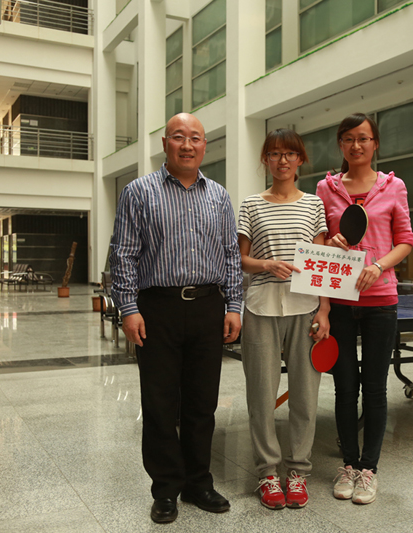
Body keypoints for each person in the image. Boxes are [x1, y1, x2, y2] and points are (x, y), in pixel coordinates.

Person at [109, 113, 243, 524]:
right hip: (158, 308)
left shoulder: (218, 196)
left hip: (207, 306)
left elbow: (230, 254)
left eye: (195, 138)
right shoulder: (139, 192)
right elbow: (123, 254)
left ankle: (199, 483)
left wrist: (234, 306)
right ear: (165, 143)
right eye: (179, 137)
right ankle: (166, 488)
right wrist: (128, 308)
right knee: (160, 403)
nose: (188, 145)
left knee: (203, 402)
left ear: (205, 146)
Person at [315, 113, 413, 505]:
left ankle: (368, 469)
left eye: (363, 138)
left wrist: (379, 266)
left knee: (374, 387)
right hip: (340, 302)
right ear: (340, 145)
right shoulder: (325, 189)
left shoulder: (394, 187)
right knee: (344, 388)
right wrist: (331, 244)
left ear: (375, 144)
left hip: (380, 303)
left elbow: (405, 240)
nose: (356, 145)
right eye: (348, 139)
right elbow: (319, 244)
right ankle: (348, 464)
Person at [238, 129, 330, 510]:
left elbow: (322, 264)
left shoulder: (314, 205)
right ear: (265, 160)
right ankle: (267, 473)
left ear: (300, 159)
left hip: (305, 307)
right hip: (260, 307)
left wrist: (324, 310)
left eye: (290, 154)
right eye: (274, 154)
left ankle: (298, 471)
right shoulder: (250, 205)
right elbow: (240, 260)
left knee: (305, 397)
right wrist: (266, 265)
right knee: (262, 396)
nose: (282, 161)